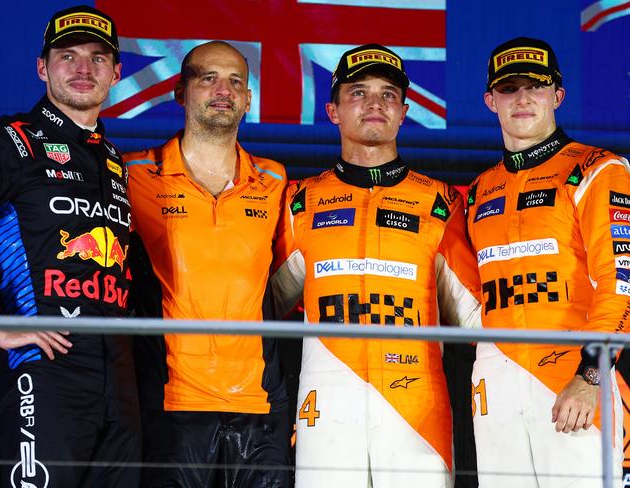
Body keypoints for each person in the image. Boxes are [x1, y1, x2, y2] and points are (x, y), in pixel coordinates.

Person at [270, 43, 482, 488]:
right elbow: (259, 303)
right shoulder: (298, 202)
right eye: (358, 92)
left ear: (404, 112)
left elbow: (480, 318)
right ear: (333, 111)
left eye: (388, 94)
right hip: (325, 403)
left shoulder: (442, 202)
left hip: (415, 408)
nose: (374, 103)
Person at [0, 4, 140, 488]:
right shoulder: (8, 141)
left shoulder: (114, 160)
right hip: (42, 369)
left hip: (119, 377)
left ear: (116, 72)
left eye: (96, 58)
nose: (83, 69)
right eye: (67, 56)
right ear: (41, 67)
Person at [124, 41, 291, 488]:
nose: (224, 90)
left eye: (236, 80)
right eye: (208, 78)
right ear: (181, 92)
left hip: (259, 406)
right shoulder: (133, 173)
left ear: (249, 98)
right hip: (172, 404)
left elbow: (290, 283)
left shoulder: (275, 181)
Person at [466, 36, 629, 487]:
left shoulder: (599, 170)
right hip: (495, 388)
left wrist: (590, 375)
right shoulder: (479, 191)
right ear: (489, 101)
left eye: (535, 87)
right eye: (508, 88)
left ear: (557, 96)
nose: (522, 98)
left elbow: (621, 284)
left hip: (575, 384)